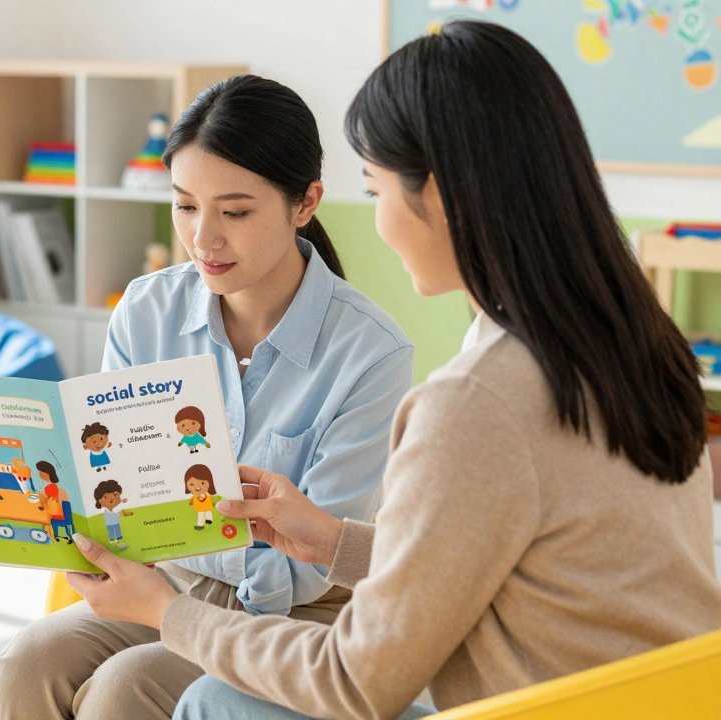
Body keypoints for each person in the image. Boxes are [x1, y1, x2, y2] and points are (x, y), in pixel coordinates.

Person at [61, 21, 721, 720]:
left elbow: (356, 682)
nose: (373, 223)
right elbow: (509, 563)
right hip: (658, 701)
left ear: (438, 195)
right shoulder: (638, 346)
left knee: (214, 705)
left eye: (375, 192)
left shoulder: (474, 400)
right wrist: (334, 539)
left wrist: (169, 612)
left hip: (523, 707)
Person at [0, 73, 414, 720]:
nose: (204, 237)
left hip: (294, 614)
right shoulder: (145, 310)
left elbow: (307, 562)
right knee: (25, 665)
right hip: (162, 583)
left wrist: (166, 552)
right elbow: (109, 489)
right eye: (185, 206)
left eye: (235, 212)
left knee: (125, 689)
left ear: (306, 203)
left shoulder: (372, 352)